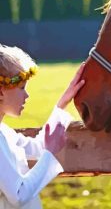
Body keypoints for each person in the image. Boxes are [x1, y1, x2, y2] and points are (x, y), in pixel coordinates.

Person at [0, 44, 85, 209]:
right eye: (22, 88)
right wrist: (50, 153)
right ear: (1, 92)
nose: (27, 95)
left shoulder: (5, 132)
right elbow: (18, 194)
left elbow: (38, 147)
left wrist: (62, 103)